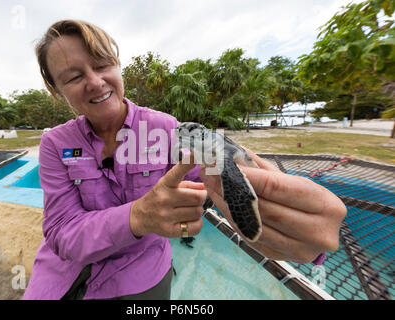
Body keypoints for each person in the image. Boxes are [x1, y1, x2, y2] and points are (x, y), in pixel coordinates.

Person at [23, 19, 346, 300]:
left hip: (142, 277)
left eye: (102, 64)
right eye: (74, 76)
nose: (95, 81)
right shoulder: (55, 143)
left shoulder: (165, 128)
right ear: (56, 89)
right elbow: (61, 231)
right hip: (61, 280)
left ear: (117, 64)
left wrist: (303, 235)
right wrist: (138, 216)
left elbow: (223, 182)